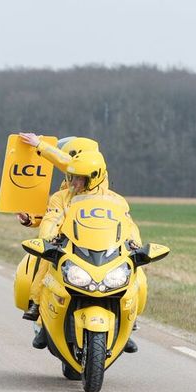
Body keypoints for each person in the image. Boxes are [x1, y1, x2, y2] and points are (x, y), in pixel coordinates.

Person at [14, 133, 143, 353]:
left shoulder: (112, 197)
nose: (73, 180)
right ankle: (40, 312)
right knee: (45, 264)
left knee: (134, 271)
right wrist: (45, 238)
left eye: (78, 177)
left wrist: (135, 246)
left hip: (104, 247)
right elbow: (52, 217)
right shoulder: (64, 193)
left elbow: (128, 224)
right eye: (71, 175)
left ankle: (129, 322)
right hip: (70, 246)